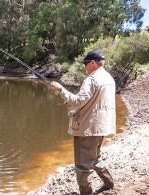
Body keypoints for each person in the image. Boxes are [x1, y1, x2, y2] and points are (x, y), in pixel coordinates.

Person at [49, 49, 116, 195]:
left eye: (86, 63)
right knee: (95, 158)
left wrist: (61, 90)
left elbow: (79, 100)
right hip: (101, 127)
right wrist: (73, 102)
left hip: (87, 129)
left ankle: (86, 192)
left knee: (82, 165)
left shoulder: (91, 79)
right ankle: (109, 183)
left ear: (93, 63)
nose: (85, 66)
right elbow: (92, 102)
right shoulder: (108, 78)